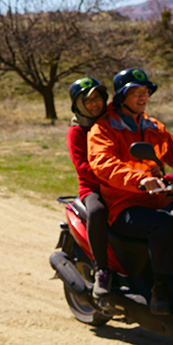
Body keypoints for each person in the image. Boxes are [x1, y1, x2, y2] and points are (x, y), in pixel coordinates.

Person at [87, 68, 173, 315]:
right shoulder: (104, 129)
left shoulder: (153, 127)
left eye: (146, 92)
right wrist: (140, 180)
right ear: (120, 96)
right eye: (135, 92)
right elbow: (103, 164)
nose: (143, 97)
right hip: (125, 204)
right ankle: (162, 287)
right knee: (163, 225)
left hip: (158, 200)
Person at [66, 77, 111, 297]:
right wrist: (112, 179)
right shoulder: (76, 132)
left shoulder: (113, 123)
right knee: (97, 211)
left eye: (97, 98)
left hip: (122, 185)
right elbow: (83, 167)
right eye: (87, 100)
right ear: (78, 105)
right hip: (93, 188)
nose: (95, 104)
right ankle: (102, 269)